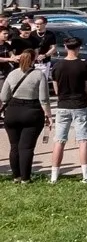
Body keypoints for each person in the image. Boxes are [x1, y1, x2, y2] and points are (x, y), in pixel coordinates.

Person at [49, 37, 87, 183]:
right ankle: (86, 175)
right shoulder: (83, 65)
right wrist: (84, 99)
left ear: (65, 47)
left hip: (62, 105)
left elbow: (56, 89)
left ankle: (54, 175)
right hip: (79, 104)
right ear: (79, 47)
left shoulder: (57, 66)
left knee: (59, 140)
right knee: (83, 140)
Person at [1, 49, 50, 183]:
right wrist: (48, 115)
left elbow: (4, 97)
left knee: (14, 146)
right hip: (32, 111)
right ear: (34, 60)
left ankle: (16, 176)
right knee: (27, 147)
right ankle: (25, 178)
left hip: (12, 111)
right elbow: (44, 99)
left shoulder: (12, 74)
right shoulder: (39, 75)